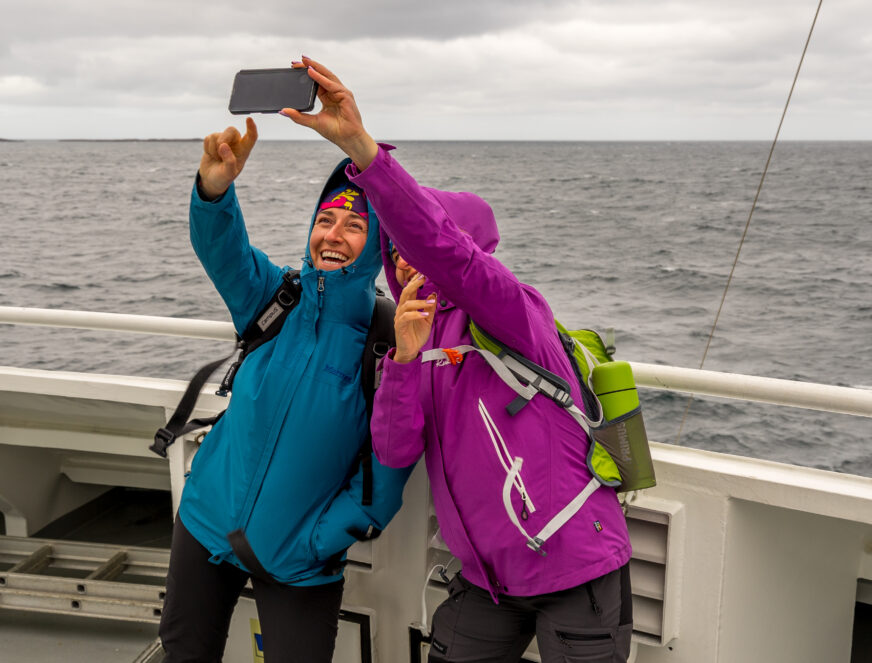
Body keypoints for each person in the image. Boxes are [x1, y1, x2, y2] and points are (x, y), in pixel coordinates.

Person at [281, 59, 634, 662]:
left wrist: (364, 153)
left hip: (575, 566)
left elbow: (449, 256)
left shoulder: (512, 310)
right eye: (396, 251)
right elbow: (394, 450)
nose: (406, 261)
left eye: (411, 244)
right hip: (488, 580)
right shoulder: (417, 333)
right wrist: (403, 359)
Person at [158, 61, 413, 663]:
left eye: (355, 225)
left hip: (302, 560)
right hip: (205, 520)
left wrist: (321, 539)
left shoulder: (383, 338)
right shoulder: (276, 296)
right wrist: (215, 186)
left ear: (376, 244)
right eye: (326, 220)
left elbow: (389, 463)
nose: (333, 234)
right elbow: (222, 251)